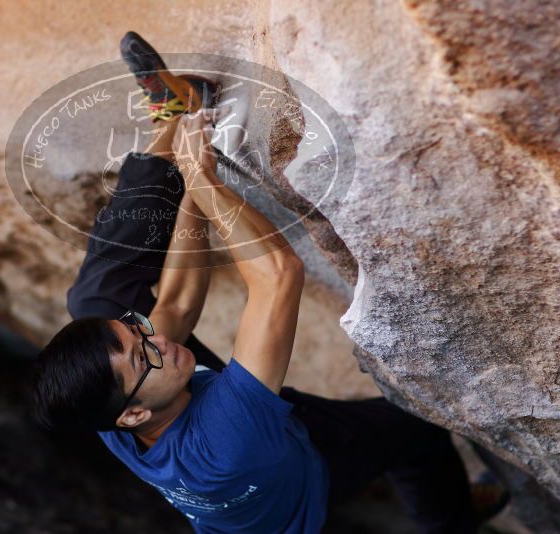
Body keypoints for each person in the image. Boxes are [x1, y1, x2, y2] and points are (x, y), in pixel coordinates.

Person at [32, 31, 504, 533]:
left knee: (94, 301)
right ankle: (453, 521)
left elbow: (176, 300)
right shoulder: (228, 441)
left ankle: (173, 119)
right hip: (309, 466)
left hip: (207, 410)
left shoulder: (117, 400)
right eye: (142, 353)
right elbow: (279, 277)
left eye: (138, 332)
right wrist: (206, 182)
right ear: (130, 418)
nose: (157, 340)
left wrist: (193, 183)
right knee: (415, 432)